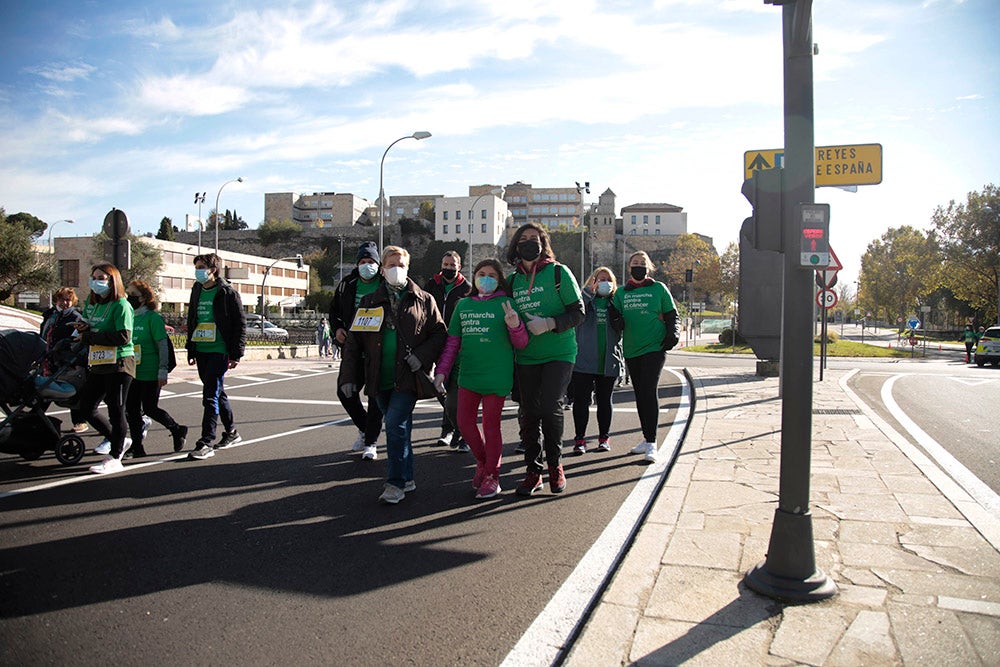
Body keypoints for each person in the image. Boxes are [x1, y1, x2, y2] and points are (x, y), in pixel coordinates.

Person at [339, 246, 446, 505]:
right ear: (383, 269)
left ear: (408, 267)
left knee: (395, 425)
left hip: (407, 377)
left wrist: (421, 355)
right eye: (391, 264)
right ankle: (407, 477)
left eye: (401, 264)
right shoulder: (368, 302)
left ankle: (395, 483)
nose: (396, 268)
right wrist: (348, 377)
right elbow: (354, 344)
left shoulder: (424, 299)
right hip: (378, 377)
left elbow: (439, 334)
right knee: (401, 428)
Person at [433, 258, 529, 499]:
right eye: (481, 274)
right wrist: (441, 371)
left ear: (499, 281)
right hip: (469, 374)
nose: (486, 278)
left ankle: (492, 477)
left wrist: (515, 325)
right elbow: (452, 342)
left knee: (491, 426)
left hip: (496, 375)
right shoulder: (463, 305)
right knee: (464, 423)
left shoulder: (507, 303)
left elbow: (522, 343)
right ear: (474, 277)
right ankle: (484, 462)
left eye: (492, 275)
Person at [506, 223, 585, 496]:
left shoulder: (559, 272)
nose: (529, 243)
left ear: (543, 242)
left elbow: (578, 313)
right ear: (516, 246)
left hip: (559, 353)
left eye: (534, 238)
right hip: (526, 355)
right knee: (528, 412)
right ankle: (532, 470)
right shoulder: (512, 281)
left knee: (551, 406)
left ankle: (555, 465)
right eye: (523, 239)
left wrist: (550, 322)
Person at [608, 251, 679, 464]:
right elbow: (615, 316)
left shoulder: (658, 289)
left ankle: (652, 443)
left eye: (642, 263)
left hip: (654, 347)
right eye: (635, 263)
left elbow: (672, 314)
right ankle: (646, 437)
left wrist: (672, 333)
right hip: (631, 349)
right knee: (640, 394)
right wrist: (616, 320)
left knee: (648, 391)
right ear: (629, 268)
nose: (639, 266)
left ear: (649, 267)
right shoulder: (621, 293)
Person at [73, 263, 135, 474]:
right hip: (99, 362)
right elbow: (91, 325)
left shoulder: (121, 305)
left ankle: (115, 457)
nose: (96, 281)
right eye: (94, 277)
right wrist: (82, 330)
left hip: (119, 363)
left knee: (116, 410)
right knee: (86, 407)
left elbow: (123, 336)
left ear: (112, 280)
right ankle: (117, 440)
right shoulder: (93, 304)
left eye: (101, 277)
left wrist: (89, 336)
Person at [185, 253, 246, 460]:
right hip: (201, 348)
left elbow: (239, 324)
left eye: (202, 267)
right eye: (197, 267)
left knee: (210, 395)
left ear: (213, 270)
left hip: (219, 350)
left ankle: (206, 442)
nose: (198, 271)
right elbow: (192, 318)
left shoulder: (227, 292)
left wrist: (236, 353)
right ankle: (232, 432)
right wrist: (191, 349)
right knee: (218, 393)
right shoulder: (196, 289)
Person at [330, 242, 385, 460]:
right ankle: (365, 428)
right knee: (345, 391)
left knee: (375, 397)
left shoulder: (385, 283)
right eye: (363, 262)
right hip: (353, 349)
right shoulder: (347, 284)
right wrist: (337, 329)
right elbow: (334, 311)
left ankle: (371, 442)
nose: (367, 266)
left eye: (371, 262)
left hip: (378, 349)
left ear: (378, 264)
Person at [123, 280, 188, 458]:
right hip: (132, 371)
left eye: (133, 295)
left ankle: (176, 429)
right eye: (128, 294)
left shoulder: (153, 318)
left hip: (151, 372)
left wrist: (162, 371)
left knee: (150, 408)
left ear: (143, 298)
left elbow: (162, 346)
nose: (129, 298)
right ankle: (137, 446)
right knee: (132, 409)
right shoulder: (128, 316)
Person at [422, 250, 472, 452]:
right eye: (445, 264)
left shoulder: (467, 288)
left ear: (459, 267)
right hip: (434, 341)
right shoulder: (431, 285)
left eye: (452, 265)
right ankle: (451, 428)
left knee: (453, 390)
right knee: (437, 387)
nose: (448, 268)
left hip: (456, 344)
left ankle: (454, 431)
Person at [571, 267, 624, 455]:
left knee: (605, 401)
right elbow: (576, 313)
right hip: (584, 361)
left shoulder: (616, 302)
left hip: (608, 360)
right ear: (592, 282)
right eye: (599, 279)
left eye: (607, 279)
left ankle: (604, 438)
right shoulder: (584, 300)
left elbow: (624, 324)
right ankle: (580, 439)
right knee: (581, 401)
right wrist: (587, 293)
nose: (604, 283)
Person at [39, 287, 88, 433]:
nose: (66, 303)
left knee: (71, 390)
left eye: (69, 300)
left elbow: (76, 339)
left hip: (66, 359)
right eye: (63, 299)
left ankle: (80, 421)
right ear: (57, 300)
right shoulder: (51, 315)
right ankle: (36, 414)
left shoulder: (75, 317)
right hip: (49, 358)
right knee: (46, 387)